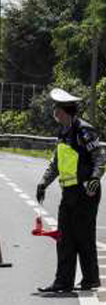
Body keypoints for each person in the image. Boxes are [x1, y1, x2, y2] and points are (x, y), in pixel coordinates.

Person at [36, 88, 105, 293]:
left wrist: (95, 178)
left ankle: (90, 279)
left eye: (56, 108)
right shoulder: (63, 133)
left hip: (86, 191)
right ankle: (63, 282)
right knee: (65, 237)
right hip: (69, 192)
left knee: (83, 236)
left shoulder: (84, 130)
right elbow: (56, 163)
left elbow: (99, 157)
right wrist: (43, 183)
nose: (54, 111)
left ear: (65, 110)